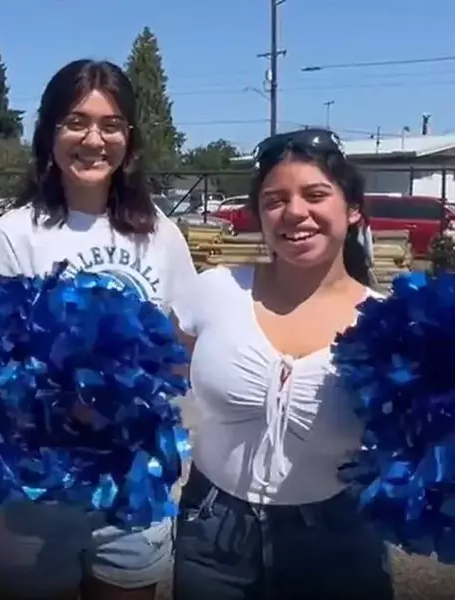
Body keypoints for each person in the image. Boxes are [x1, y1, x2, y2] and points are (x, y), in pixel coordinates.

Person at [0, 58, 198, 600]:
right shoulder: (15, 234)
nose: (93, 139)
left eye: (110, 124)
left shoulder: (161, 234)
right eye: (75, 122)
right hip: (38, 489)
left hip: (132, 481)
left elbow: (184, 346)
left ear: (130, 139)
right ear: (49, 135)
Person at [172, 128, 394, 600]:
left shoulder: (389, 323)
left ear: (352, 209)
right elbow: (149, 378)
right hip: (213, 534)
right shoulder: (214, 291)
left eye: (315, 194)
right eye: (275, 199)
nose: (294, 212)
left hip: (338, 542)